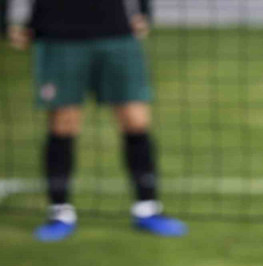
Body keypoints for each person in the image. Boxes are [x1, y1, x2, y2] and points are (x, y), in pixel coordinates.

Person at [3, 0, 187, 241]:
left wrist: (144, 11)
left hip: (115, 30)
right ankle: (60, 212)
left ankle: (147, 207)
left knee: (136, 120)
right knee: (63, 124)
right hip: (58, 35)